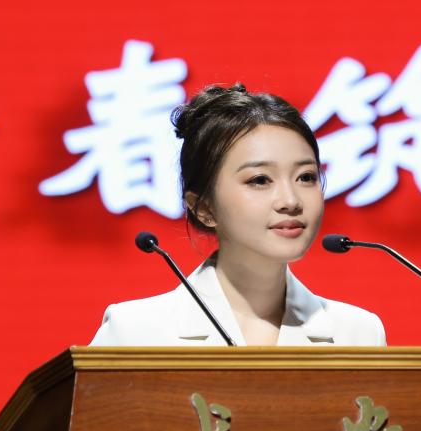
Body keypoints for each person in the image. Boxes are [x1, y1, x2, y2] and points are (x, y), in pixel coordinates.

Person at [89, 83, 386, 346]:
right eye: (260, 180)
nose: (290, 200)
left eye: (306, 177)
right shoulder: (134, 333)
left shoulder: (359, 334)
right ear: (204, 207)